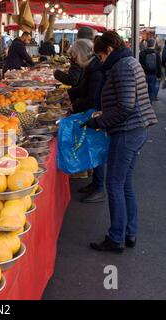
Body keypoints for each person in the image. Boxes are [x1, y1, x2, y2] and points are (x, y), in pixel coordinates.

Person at [85, 31, 157, 252]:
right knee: (124, 183)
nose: (101, 61)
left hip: (128, 131)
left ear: (109, 50)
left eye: (101, 56)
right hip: (136, 130)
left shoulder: (123, 66)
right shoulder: (128, 61)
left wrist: (100, 122)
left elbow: (126, 106)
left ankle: (116, 237)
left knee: (115, 184)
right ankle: (129, 232)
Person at [66, 39, 106, 203]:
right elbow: (84, 88)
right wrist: (68, 94)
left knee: (96, 149)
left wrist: (74, 105)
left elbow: (91, 98)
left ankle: (99, 188)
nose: (74, 60)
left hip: (95, 113)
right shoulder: (92, 67)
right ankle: (95, 184)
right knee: (92, 148)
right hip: (92, 111)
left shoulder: (96, 71)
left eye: (75, 56)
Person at [139, 38, 162, 103]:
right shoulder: (157, 53)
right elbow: (158, 65)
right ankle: (150, 103)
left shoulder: (142, 53)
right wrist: (159, 75)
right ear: (154, 44)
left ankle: (142, 103)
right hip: (153, 74)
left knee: (142, 89)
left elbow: (140, 63)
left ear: (147, 44)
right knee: (151, 90)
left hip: (143, 74)